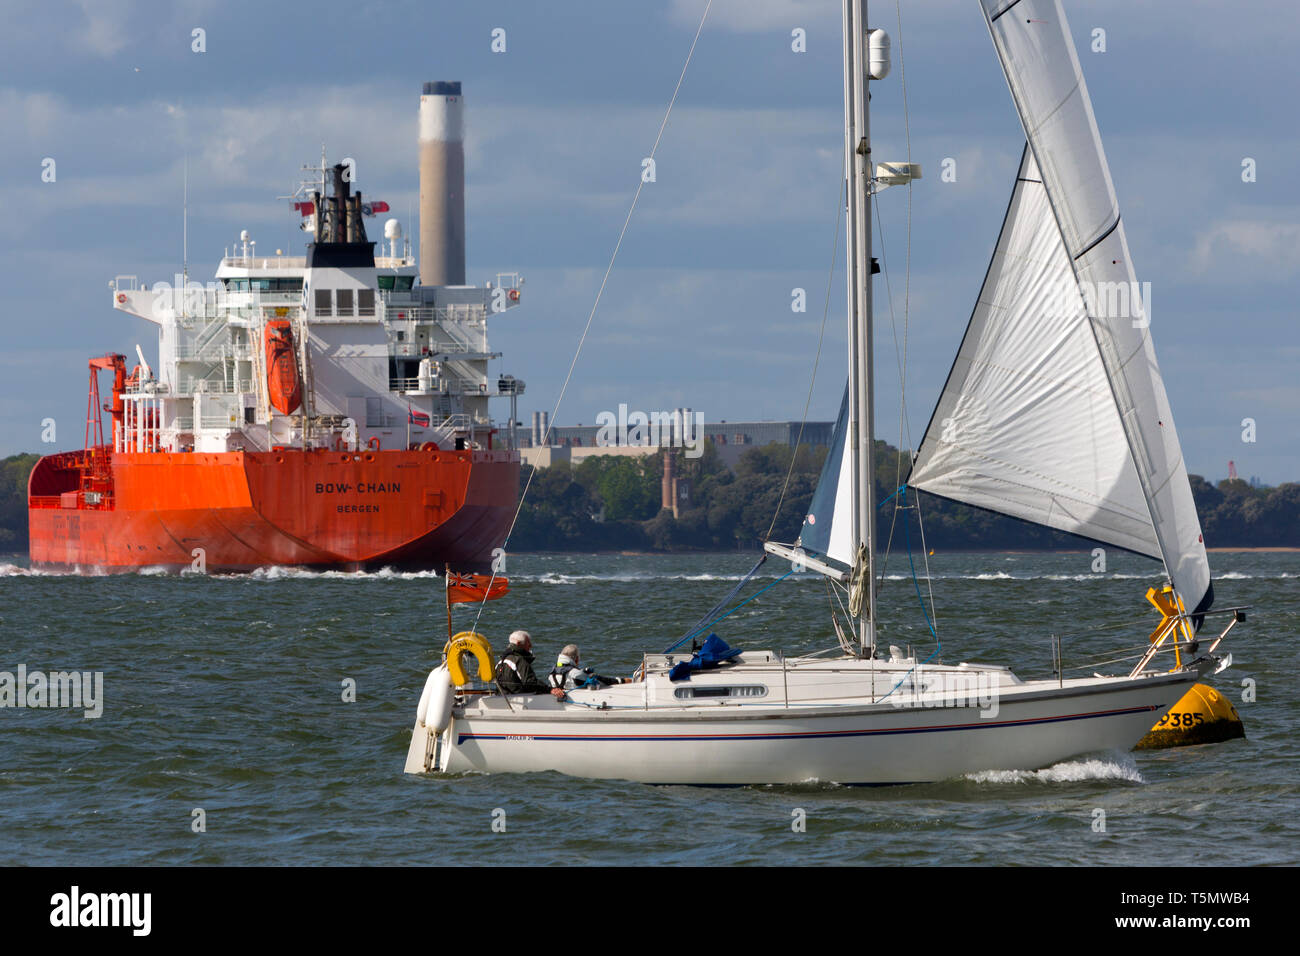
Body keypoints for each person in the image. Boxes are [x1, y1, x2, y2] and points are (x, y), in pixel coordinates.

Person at [494, 631, 562, 696]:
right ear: (518, 644)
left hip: (503, 697)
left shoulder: (501, 661)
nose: (530, 645)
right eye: (528, 642)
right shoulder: (519, 660)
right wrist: (549, 689)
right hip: (521, 699)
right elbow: (530, 683)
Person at [548, 644, 629, 692]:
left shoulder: (552, 674)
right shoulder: (575, 673)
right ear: (576, 659)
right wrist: (621, 680)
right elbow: (599, 680)